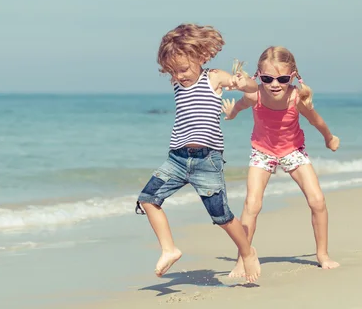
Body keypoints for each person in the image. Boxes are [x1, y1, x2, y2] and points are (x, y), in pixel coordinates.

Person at [136, 23, 260, 283]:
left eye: (183, 69)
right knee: (148, 199)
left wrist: (242, 82)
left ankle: (247, 252)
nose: (179, 76)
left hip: (207, 160)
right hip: (177, 159)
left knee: (222, 216)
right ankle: (169, 249)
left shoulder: (212, 77)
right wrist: (174, 60)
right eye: (173, 71)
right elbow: (175, 55)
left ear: (200, 58)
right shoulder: (179, 82)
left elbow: (251, 89)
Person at [222, 46, 340, 278]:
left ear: (293, 76)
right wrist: (231, 114)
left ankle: (323, 254)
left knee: (317, 200)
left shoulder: (297, 98)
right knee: (252, 205)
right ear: (259, 76)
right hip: (262, 151)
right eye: (267, 78)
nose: (275, 84)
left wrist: (329, 138)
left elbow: (317, 122)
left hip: (292, 150)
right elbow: (239, 105)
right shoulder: (254, 95)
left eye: (282, 78)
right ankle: (242, 259)